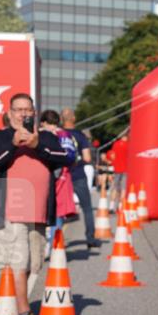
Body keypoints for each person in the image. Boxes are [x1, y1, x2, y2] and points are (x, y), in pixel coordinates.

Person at [0, 92, 70, 315]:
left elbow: (66, 158)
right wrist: (13, 144)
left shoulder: (46, 138)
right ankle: (24, 314)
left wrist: (36, 145)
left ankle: (4, 309)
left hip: (38, 213)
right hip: (7, 212)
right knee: (17, 263)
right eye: (18, 110)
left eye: (27, 110)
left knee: (34, 264)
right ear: (9, 113)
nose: (23, 114)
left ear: (34, 113)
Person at [39, 111, 78, 258]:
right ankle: (54, 247)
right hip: (63, 177)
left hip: (49, 177)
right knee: (58, 214)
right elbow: (73, 158)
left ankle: (48, 246)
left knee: (44, 212)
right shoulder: (67, 135)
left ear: (43, 122)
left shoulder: (41, 135)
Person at [61, 108, 101, 248]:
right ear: (74, 118)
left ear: (61, 119)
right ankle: (90, 239)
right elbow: (87, 158)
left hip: (61, 176)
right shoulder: (80, 135)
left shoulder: (58, 134)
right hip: (78, 175)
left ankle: (56, 240)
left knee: (59, 209)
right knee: (87, 208)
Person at [108, 129, 129, 212]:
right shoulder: (129, 144)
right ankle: (120, 206)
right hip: (126, 169)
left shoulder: (116, 144)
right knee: (123, 188)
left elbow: (112, 156)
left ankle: (111, 206)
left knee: (115, 187)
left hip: (117, 169)